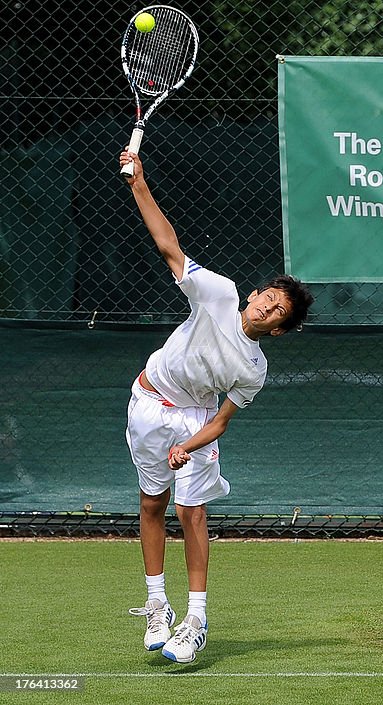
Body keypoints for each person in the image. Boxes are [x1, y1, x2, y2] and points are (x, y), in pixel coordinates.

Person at [119, 151, 313, 663]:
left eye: (278, 313)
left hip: (194, 422)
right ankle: (157, 604)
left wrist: (188, 444)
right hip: (147, 402)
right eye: (267, 298)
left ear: (278, 330)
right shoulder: (218, 294)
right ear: (253, 295)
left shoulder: (254, 368)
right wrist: (139, 182)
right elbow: (169, 246)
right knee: (151, 505)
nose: (267, 308)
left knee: (191, 511)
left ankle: (197, 618)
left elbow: (221, 422)